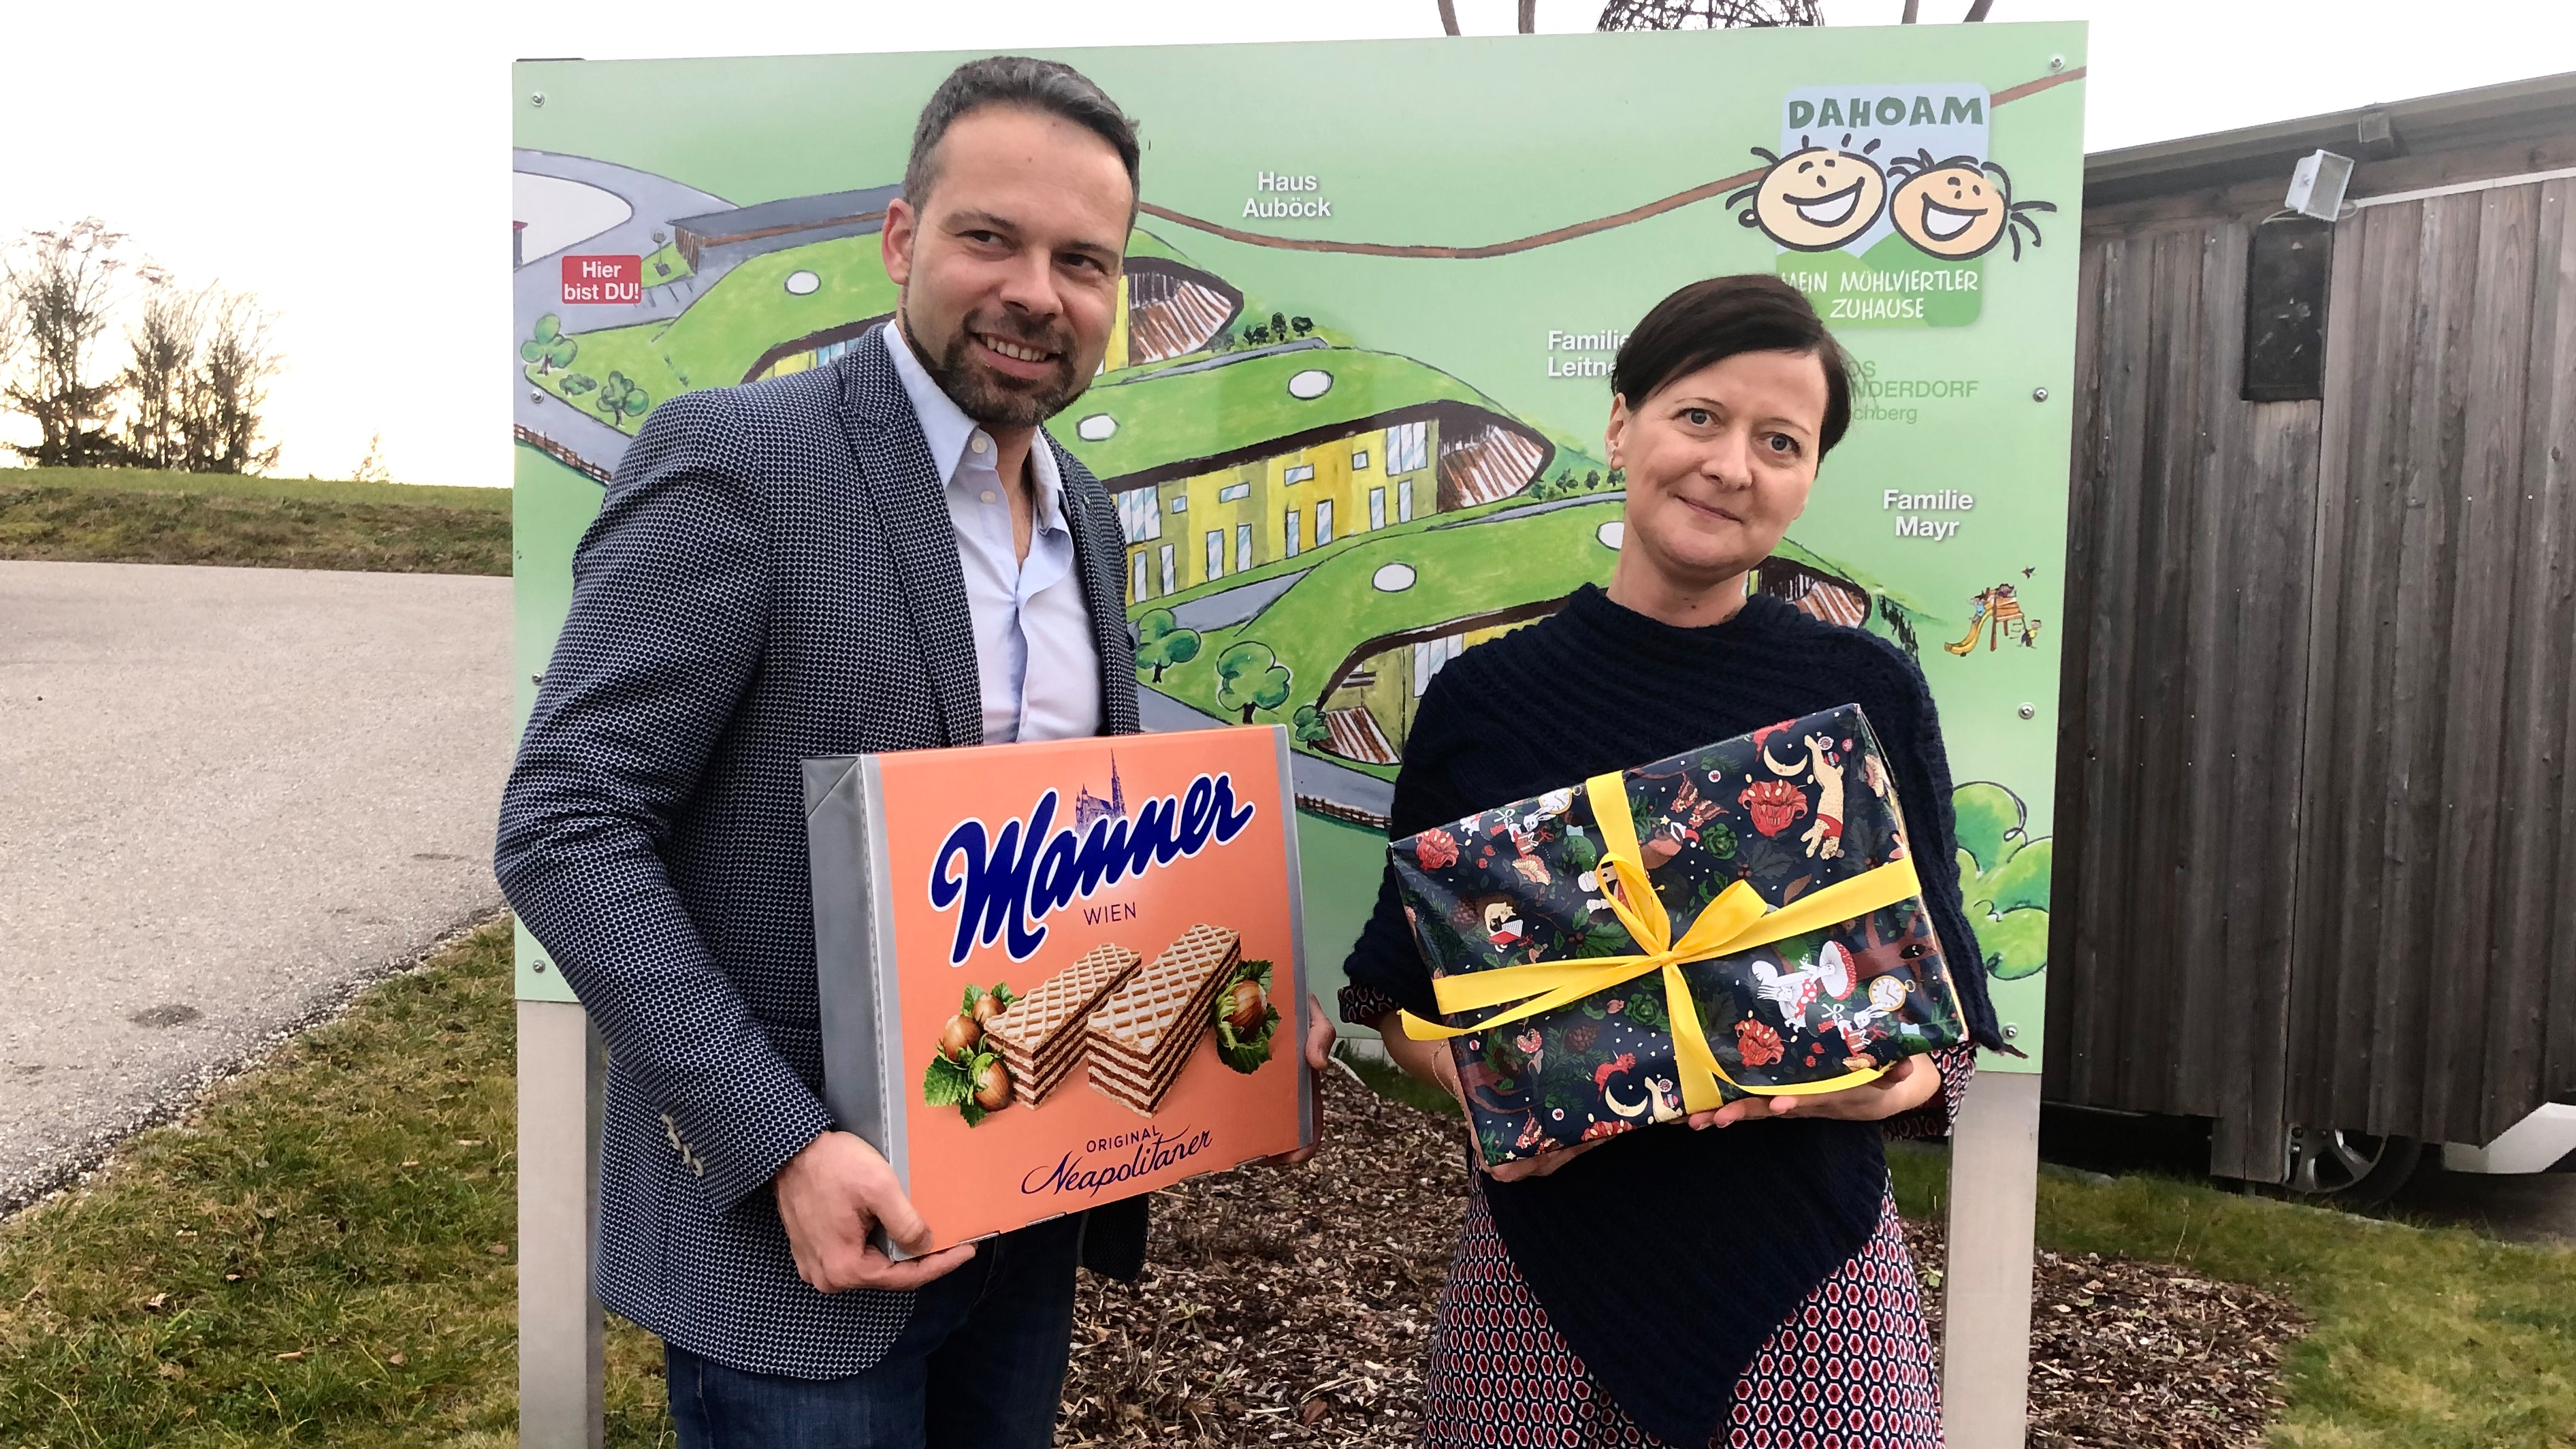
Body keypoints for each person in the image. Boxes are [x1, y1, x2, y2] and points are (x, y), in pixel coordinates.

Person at [496, 56, 1330, 1449]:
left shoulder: (1087, 517)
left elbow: (1080, 856)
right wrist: (780, 1145)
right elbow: (567, 825)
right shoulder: (739, 461)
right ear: (901, 240)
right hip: (797, 1252)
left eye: (1082, 261)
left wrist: (1235, 999)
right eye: (989, 237)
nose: (1036, 293)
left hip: (1027, 1206)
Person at [1339, 274, 2006, 1449]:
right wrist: (1492, 1093)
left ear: (1809, 477)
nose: (1731, 465)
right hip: (1540, 1280)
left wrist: (1880, 1086)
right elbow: (1398, 997)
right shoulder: (1488, 701)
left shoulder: (1864, 693)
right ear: (1621, 423)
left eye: (1780, 442)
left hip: (1812, 1283)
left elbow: (1936, 1008)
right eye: (1699, 416)